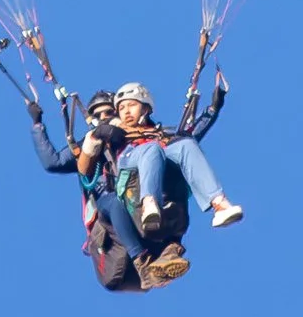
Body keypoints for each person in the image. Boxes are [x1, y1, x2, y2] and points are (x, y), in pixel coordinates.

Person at [30, 90, 191, 290]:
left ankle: (171, 249)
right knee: (115, 200)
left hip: (144, 222)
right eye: (97, 115)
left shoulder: (143, 139)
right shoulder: (90, 145)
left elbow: (184, 143)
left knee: (175, 174)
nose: (104, 118)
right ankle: (143, 264)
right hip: (113, 246)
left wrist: (213, 109)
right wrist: (37, 124)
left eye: (108, 112)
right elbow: (52, 162)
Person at [92, 79, 243, 239]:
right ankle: (149, 203)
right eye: (121, 108)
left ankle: (219, 204)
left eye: (132, 105)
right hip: (128, 165)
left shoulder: (159, 134)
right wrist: (99, 133)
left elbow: (189, 135)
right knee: (152, 148)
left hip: (156, 157)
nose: (126, 112)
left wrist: (212, 109)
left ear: (145, 108)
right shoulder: (113, 132)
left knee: (186, 144)